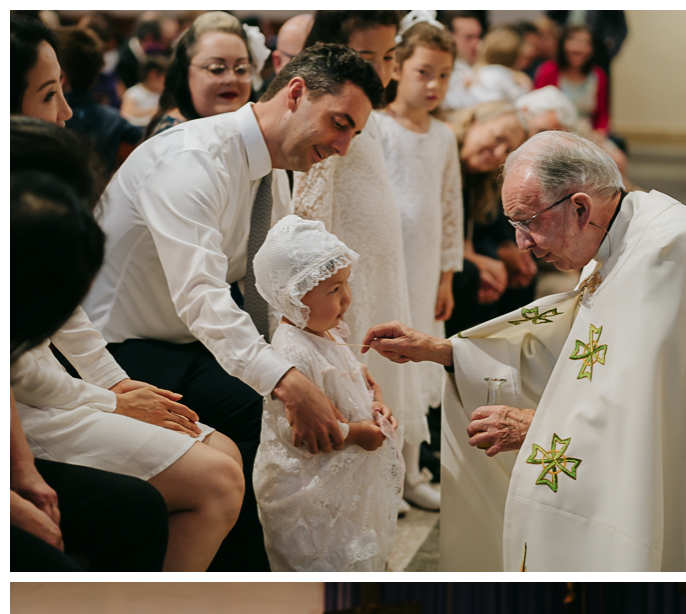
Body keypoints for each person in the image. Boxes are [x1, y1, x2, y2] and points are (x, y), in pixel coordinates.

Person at [83, 44, 384, 571]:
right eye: (339, 123)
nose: (341, 145)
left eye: (353, 133)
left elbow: (282, 289)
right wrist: (290, 382)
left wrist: (339, 368)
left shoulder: (275, 172)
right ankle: (245, 580)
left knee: (326, 401)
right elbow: (202, 297)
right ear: (295, 93)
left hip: (189, 345)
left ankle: (290, 566)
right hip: (119, 348)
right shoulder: (190, 160)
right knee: (269, 412)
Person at [363, 130, 686, 571]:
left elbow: (651, 407)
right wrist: (445, 352)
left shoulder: (668, 253)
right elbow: (586, 352)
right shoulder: (621, 238)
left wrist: (539, 425)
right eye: (514, 226)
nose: (522, 242)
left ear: (580, 207)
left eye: (528, 221)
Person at [10, 121, 246, 573]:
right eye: (48, 94)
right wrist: (110, 402)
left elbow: (64, 309)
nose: (63, 111)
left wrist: (116, 383)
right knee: (215, 481)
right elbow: (17, 370)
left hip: (61, 388)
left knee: (224, 450)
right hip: (28, 412)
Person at [295, 13, 429, 515]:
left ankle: (387, 480)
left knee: (384, 379)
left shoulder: (364, 119)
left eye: (390, 57)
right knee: (357, 379)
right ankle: (360, 490)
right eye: (369, 58)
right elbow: (312, 206)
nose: (383, 70)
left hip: (378, 271)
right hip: (349, 280)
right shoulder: (334, 123)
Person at [252, 215, 403, 570]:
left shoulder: (328, 332)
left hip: (345, 487)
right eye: (333, 290)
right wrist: (360, 432)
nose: (347, 298)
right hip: (311, 490)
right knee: (323, 560)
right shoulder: (291, 351)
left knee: (357, 548)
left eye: (346, 284)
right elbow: (302, 432)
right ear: (291, 297)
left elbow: (356, 377)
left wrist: (375, 399)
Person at [376, 16, 463, 507]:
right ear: (399, 67)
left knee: (419, 358)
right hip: (391, 261)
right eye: (424, 71)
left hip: (427, 263)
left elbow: (452, 208)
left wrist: (448, 272)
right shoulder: (380, 128)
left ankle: (411, 472)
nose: (434, 84)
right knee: (390, 359)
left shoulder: (444, 136)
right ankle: (387, 478)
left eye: (445, 74)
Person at [445, 101, 530, 339]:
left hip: (453, 255)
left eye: (507, 150)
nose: (498, 153)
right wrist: (482, 263)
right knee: (473, 275)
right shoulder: (442, 153)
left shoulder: (477, 179)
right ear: (473, 121)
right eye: (497, 137)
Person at [144, 12, 260, 138]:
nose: (231, 78)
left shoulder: (246, 130)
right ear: (185, 72)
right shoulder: (175, 139)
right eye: (216, 68)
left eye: (241, 69)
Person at [54, 26, 142, 179]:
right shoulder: (113, 120)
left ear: (60, 76)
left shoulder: (46, 117)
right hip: (100, 196)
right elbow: (145, 138)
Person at [535, 25, 608, 134]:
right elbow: (536, 106)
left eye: (585, 42)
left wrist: (600, 132)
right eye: (573, 40)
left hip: (589, 134)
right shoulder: (548, 70)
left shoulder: (598, 75)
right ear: (562, 44)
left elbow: (602, 115)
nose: (579, 46)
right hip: (554, 133)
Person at [442, 11, 485, 111]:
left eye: (478, 37)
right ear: (449, 37)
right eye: (468, 37)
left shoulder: (484, 67)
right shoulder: (445, 72)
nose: (476, 44)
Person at [121, 56, 167, 129]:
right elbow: (126, 113)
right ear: (153, 75)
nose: (167, 82)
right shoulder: (133, 93)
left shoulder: (165, 94)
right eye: (165, 78)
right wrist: (151, 111)